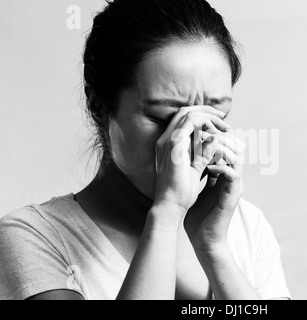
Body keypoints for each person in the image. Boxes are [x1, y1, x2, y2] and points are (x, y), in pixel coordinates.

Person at [0, 0, 291, 300]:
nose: (190, 138)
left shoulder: (245, 226)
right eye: (164, 118)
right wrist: (167, 214)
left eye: (215, 116)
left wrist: (213, 247)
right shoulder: (34, 237)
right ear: (98, 105)